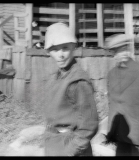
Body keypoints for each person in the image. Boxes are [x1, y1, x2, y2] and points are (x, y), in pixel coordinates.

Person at [42, 22, 99, 156]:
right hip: (54, 144)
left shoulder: (78, 81)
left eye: (65, 48)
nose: (60, 55)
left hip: (71, 148)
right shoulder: (54, 78)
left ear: (73, 48)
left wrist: (70, 151)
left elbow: (89, 125)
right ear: (49, 52)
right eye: (55, 49)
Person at [104, 34, 139, 156]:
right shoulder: (111, 74)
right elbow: (112, 103)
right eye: (118, 51)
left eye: (124, 49)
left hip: (137, 129)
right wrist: (110, 130)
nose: (123, 53)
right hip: (120, 131)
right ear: (113, 54)